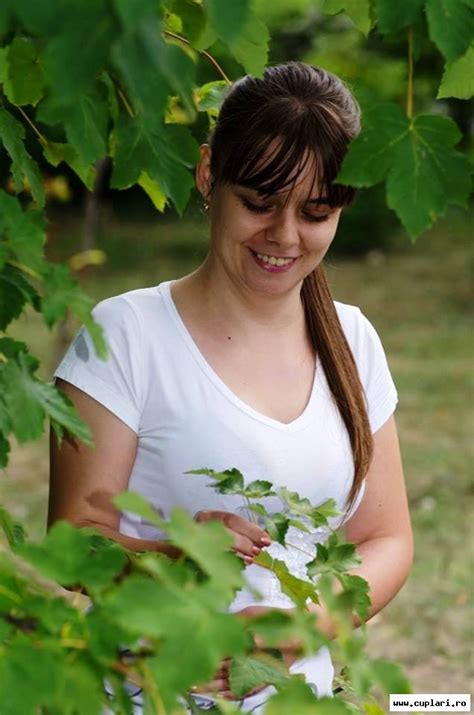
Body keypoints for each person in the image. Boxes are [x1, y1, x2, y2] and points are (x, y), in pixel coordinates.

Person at [48, 62, 413, 713]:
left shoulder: (353, 341)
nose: (284, 235)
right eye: (260, 203)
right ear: (208, 174)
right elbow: (74, 541)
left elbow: (386, 538)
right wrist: (174, 552)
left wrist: (307, 627)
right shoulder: (126, 337)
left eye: (316, 212)